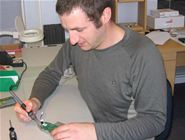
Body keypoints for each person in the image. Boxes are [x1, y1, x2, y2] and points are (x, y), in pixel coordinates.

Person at [14, 0, 167, 140]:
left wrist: (94, 132)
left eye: (79, 29)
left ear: (105, 15)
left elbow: (154, 121)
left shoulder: (142, 54)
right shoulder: (77, 44)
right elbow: (52, 74)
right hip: (89, 122)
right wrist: (35, 100)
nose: (72, 40)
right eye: (67, 30)